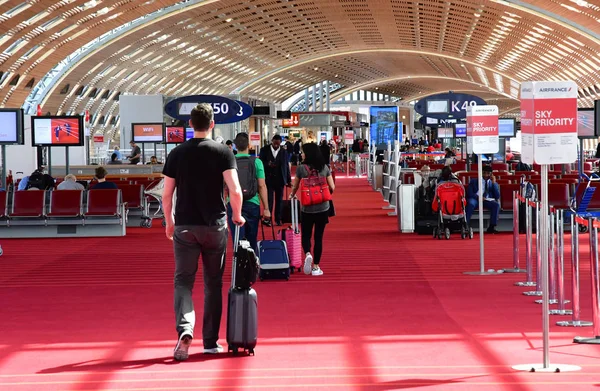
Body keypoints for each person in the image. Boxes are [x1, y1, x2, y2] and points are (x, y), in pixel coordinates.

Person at [162, 103, 244, 361]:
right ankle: (210, 341)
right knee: (213, 284)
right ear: (212, 124)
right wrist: (237, 215)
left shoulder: (176, 153)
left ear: (189, 125)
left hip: (185, 226)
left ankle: (185, 329)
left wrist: (169, 221)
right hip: (215, 226)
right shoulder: (223, 152)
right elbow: (235, 190)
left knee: (183, 282)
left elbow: (166, 194)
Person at [289, 142, 335, 276]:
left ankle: (308, 253)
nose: (301, 154)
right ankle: (316, 266)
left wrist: (292, 195)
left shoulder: (301, 169)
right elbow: (332, 187)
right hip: (323, 207)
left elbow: (295, 186)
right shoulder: (324, 167)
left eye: (303, 152)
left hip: (307, 207)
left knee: (306, 235)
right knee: (319, 237)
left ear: (308, 154)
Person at [227, 132, 271, 252]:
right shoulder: (257, 162)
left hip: (233, 203)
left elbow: (223, 184)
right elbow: (262, 185)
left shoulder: (228, 162)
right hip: (252, 203)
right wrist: (266, 208)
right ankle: (253, 267)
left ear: (235, 145)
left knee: (237, 241)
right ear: (249, 145)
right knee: (251, 240)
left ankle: (239, 268)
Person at [259, 134, 291, 226]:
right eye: (275, 144)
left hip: (280, 179)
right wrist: (267, 164)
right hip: (268, 179)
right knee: (269, 200)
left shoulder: (284, 152)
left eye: (278, 144)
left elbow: (286, 166)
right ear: (272, 141)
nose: (276, 146)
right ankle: (268, 219)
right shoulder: (264, 150)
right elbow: (260, 163)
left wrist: (288, 180)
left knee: (279, 200)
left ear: (280, 143)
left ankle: (278, 219)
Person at [465, 165, 500, 234]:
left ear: (491, 174)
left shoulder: (492, 183)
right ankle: (465, 225)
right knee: (471, 204)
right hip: (476, 198)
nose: (486, 175)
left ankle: (492, 227)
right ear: (481, 173)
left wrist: (494, 183)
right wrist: (478, 197)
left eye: (488, 173)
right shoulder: (474, 181)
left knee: (496, 205)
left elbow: (497, 196)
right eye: (485, 173)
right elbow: (469, 193)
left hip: (486, 200)